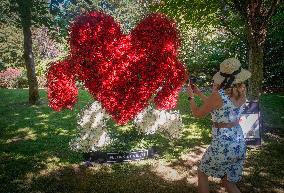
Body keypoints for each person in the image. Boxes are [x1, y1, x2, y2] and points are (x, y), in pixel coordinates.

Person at [187, 58, 251, 193]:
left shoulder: (218, 95)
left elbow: (197, 113)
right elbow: (218, 107)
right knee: (228, 181)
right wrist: (200, 93)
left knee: (202, 173)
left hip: (223, 145)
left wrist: (191, 97)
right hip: (238, 142)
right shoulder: (242, 91)